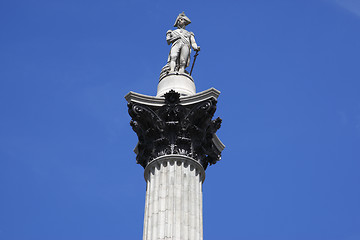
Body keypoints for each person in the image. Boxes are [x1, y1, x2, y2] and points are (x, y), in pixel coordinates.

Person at [160, 12, 200, 78]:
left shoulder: (189, 33)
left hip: (185, 45)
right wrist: (177, 37)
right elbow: (168, 41)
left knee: (183, 61)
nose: (181, 21)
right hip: (176, 44)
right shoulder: (171, 32)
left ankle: (182, 73)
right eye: (180, 19)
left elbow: (193, 42)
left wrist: (196, 48)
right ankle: (172, 71)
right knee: (173, 57)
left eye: (183, 20)